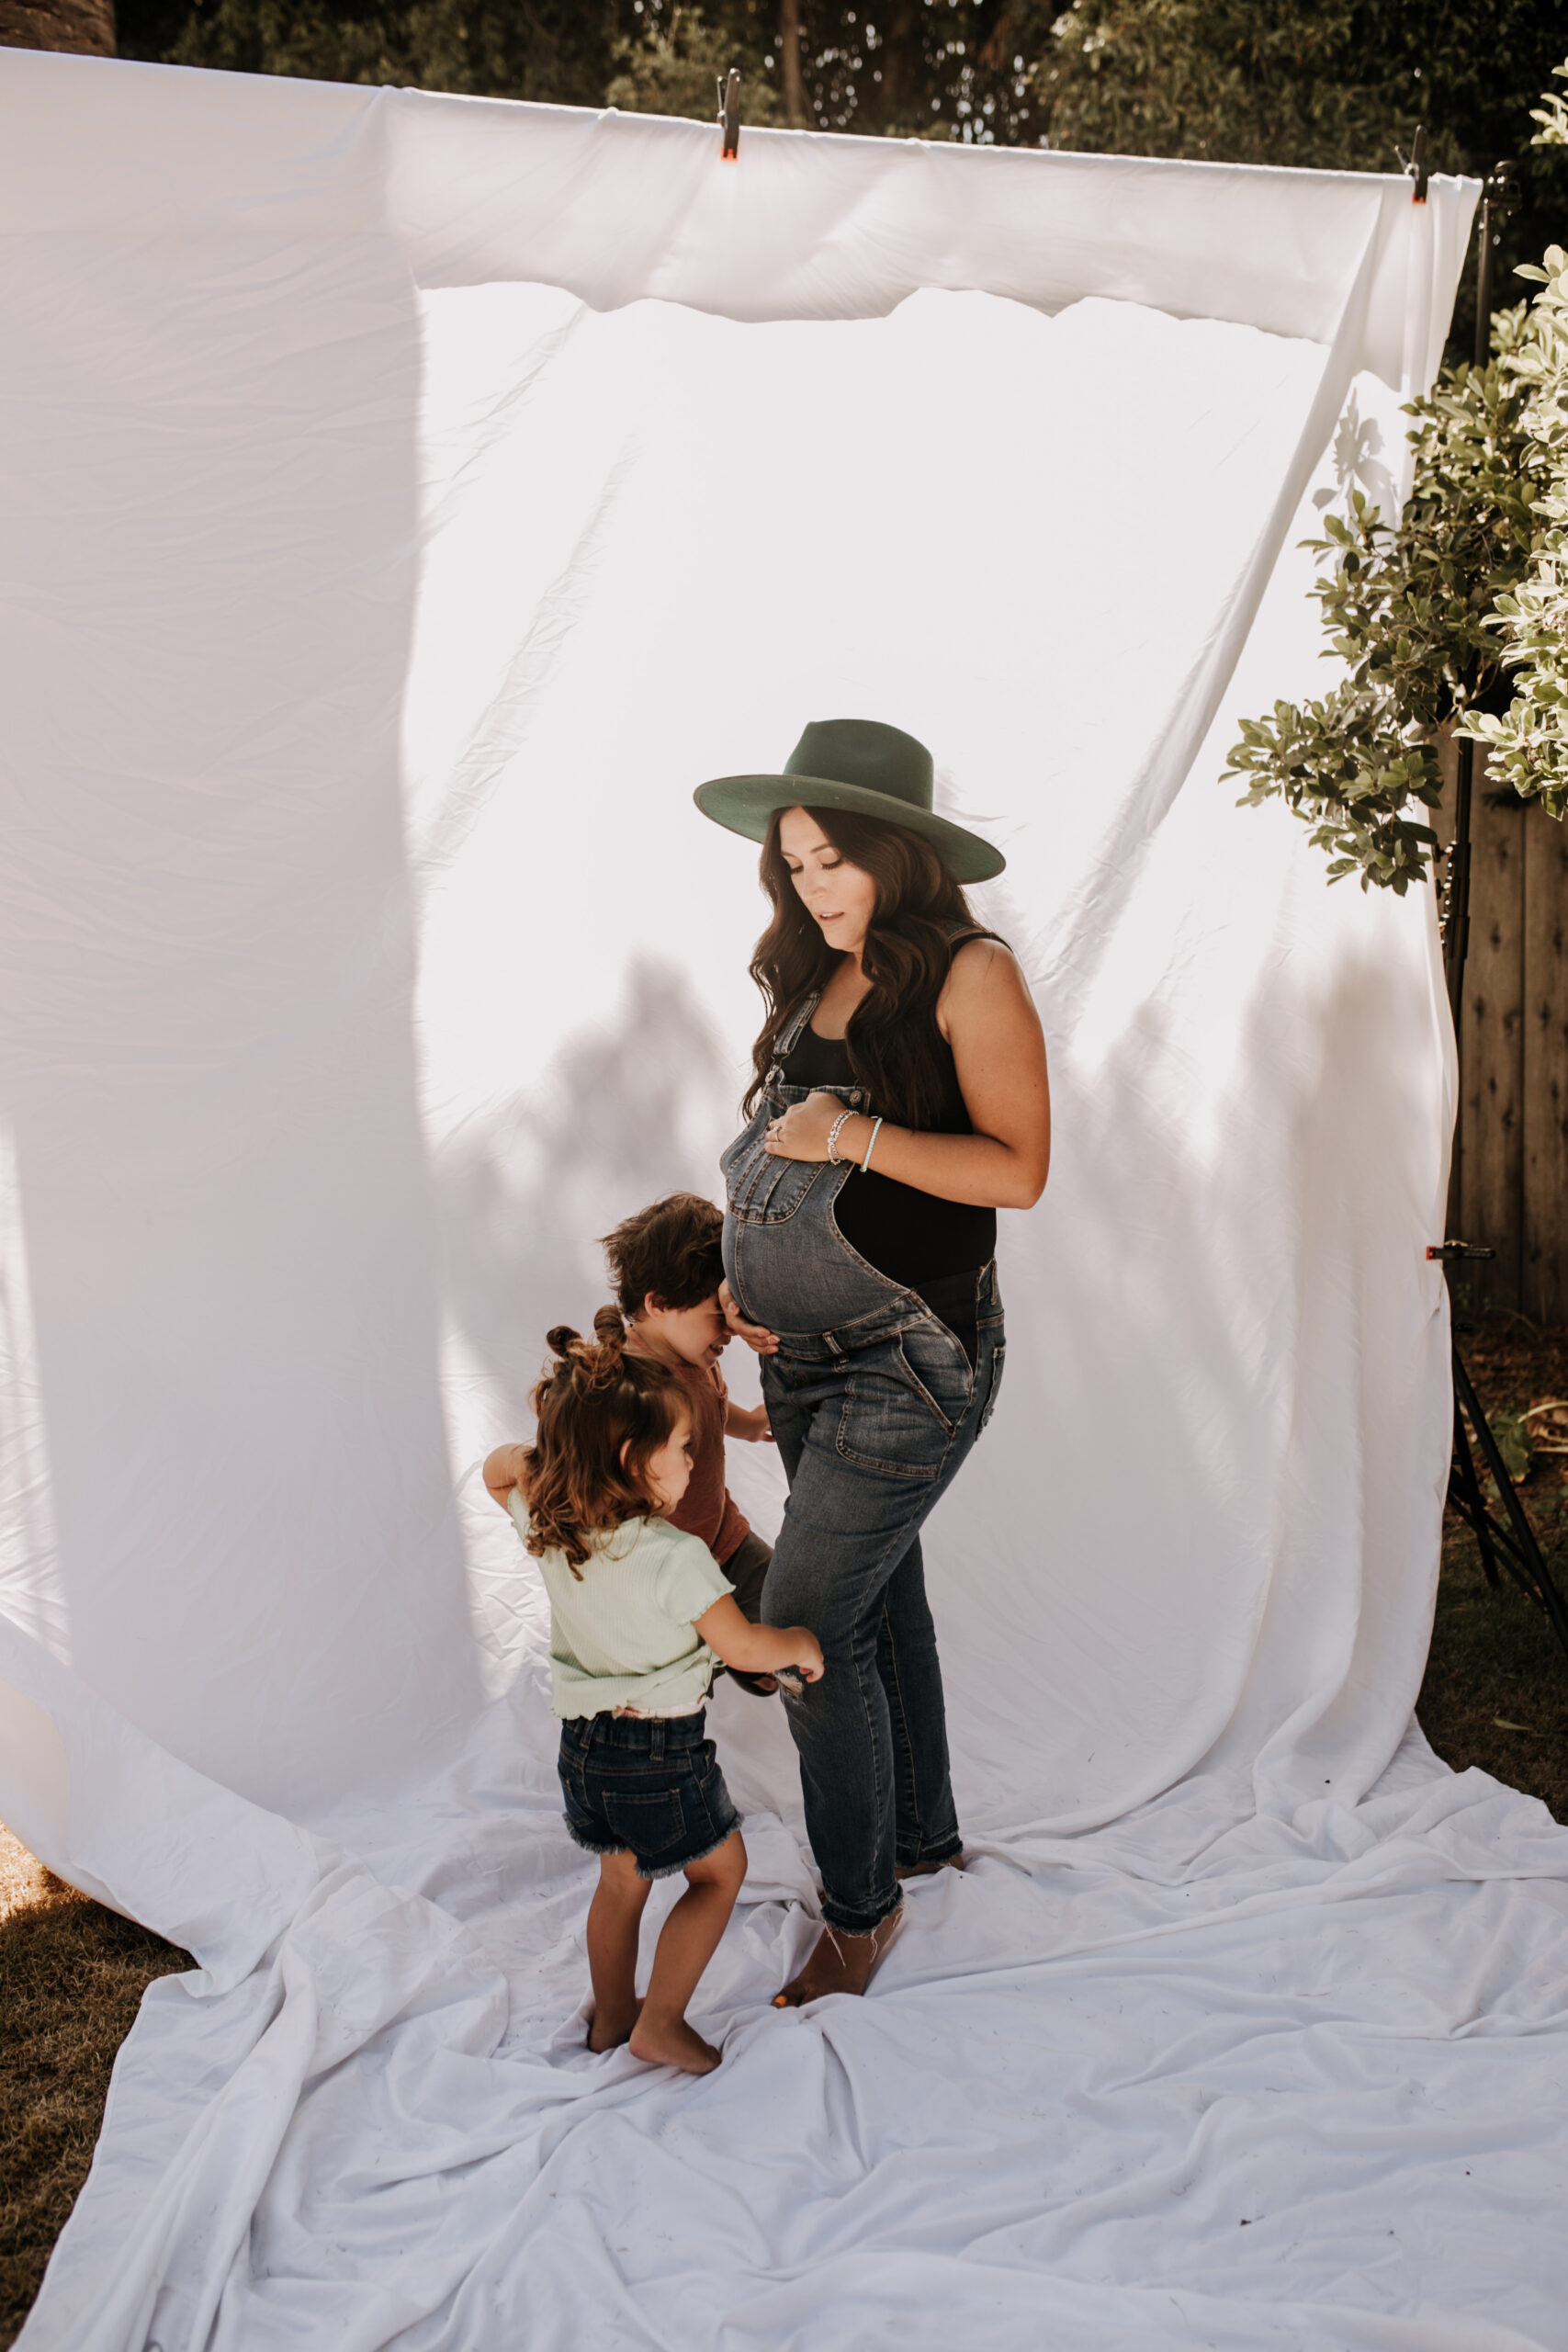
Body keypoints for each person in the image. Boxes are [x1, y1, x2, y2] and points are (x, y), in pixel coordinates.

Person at [694, 717, 1050, 2007]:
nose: (815, 885)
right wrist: (737, 1290)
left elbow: (1015, 1169)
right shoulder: (812, 968)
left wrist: (850, 1130)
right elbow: (773, 1148)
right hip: (799, 1353)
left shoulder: (968, 972)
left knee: (797, 1629)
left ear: (900, 853)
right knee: (871, 1598)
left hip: (908, 1359)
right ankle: (920, 1834)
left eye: (836, 858)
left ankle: (860, 1914)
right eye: (794, 863)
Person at [483, 1311, 823, 2075]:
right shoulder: (676, 1556)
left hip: (583, 1750)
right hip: (658, 1752)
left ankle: (611, 2017)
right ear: (635, 1460)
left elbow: (495, 1471)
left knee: (621, 1877)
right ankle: (660, 2021)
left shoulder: (551, 1521)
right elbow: (742, 1647)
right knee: (719, 1873)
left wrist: (539, 1456)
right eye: (681, 1449)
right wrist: (796, 1644)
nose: (691, 1460)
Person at [601, 1193, 778, 1694]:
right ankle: (715, 1657)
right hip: (665, 1569)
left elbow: (713, 1409)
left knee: (787, 1609)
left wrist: (748, 1424)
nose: (731, 1329)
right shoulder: (632, 1385)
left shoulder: (694, 1356)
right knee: (675, 1680)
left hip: (724, 1537)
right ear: (657, 1303)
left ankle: (748, 1656)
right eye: (716, 1314)